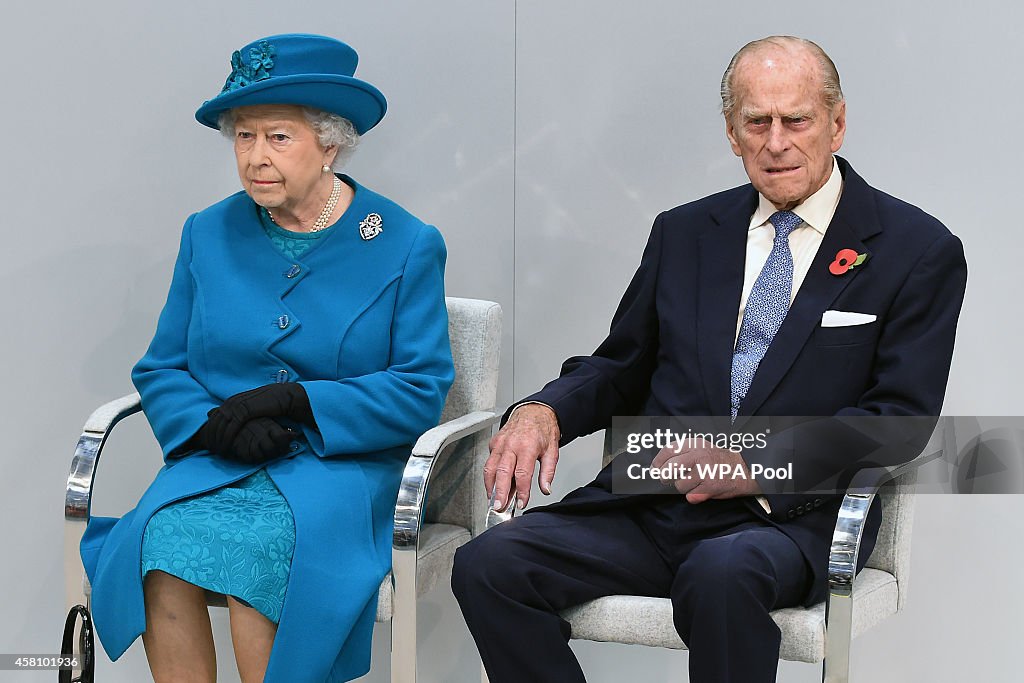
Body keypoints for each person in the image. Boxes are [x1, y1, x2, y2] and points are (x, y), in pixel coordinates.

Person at [452, 35, 967, 683]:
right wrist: (544, 410)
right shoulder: (686, 232)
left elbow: (900, 419)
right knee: (487, 564)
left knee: (719, 574)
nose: (776, 141)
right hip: (652, 503)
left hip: (788, 518)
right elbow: (620, 366)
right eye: (757, 122)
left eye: (796, 120)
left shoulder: (915, 249)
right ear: (732, 133)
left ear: (837, 123)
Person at [79, 34, 454, 683]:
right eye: (243, 136)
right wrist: (213, 422)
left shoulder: (404, 243)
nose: (255, 157)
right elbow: (162, 367)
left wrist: (300, 401)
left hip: (342, 467)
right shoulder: (207, 231)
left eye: (278, 137)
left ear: (330, 142)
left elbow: (420, 386)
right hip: (221, 455)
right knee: (158, 550)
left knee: (265, 560)